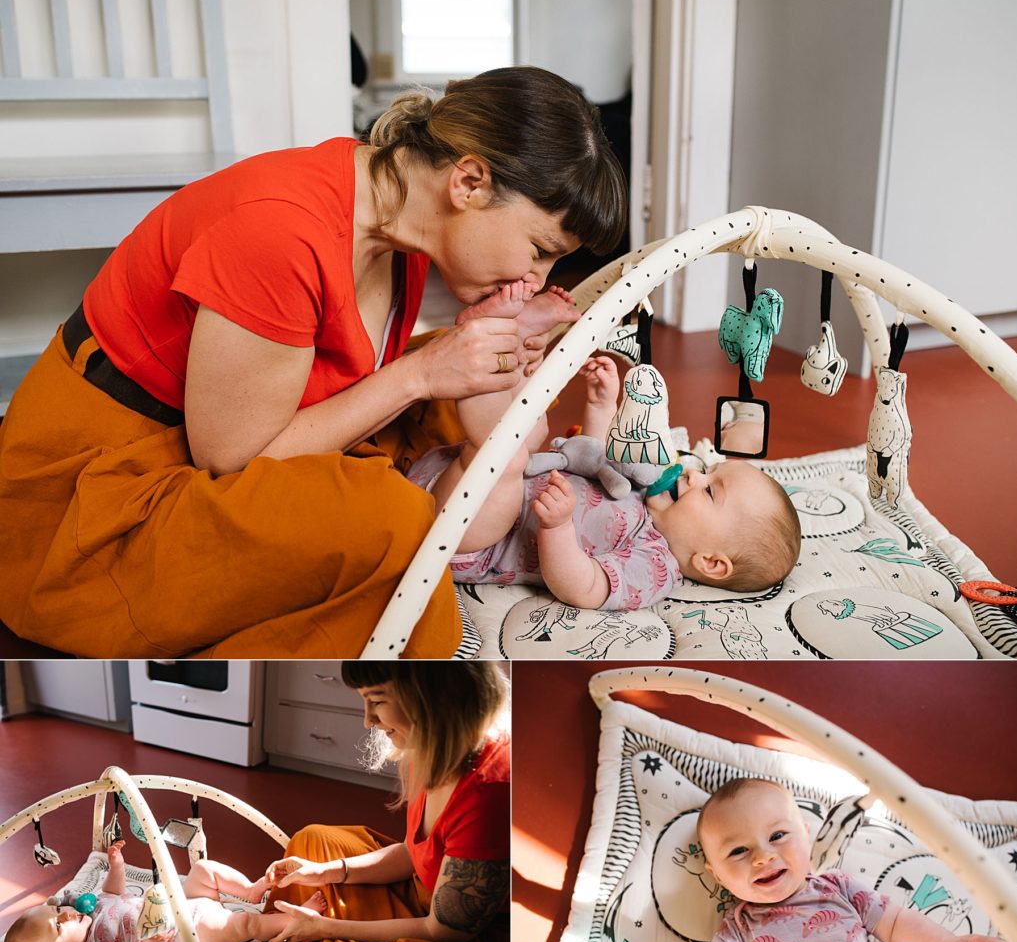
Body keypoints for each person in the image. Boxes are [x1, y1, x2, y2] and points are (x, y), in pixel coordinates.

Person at [0, 65, 626, 659]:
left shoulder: (398, 216)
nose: (536, 276)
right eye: (540, 249)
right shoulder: (280, 233)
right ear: (467, 182)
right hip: (100, 488)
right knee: (387, 516)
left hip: (215, 428)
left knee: (456, 397)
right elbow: (233, 461)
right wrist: (420, 373)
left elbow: (341, 368)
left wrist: (471, 350)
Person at [408, 334, 801, 609]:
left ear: (710, 562)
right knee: (533, 434)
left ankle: (490, 372)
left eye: (711, 491)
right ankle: (505, 365)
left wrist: (558, 528)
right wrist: (602, 404)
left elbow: (586, 587)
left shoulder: (655, 566)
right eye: (708, 470)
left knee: (512, 453)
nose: (694, 476)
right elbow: (600, 459)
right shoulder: (646, 484)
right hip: (450, 472)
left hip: (472, 538)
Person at [264, 660, 510, 942]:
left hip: (459, 938)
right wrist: (325, 872)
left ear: (434, 697)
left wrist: (326, 927)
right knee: (310, 841)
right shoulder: (427, 748)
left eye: (377, 701)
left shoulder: (489, 792)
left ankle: (315, 941)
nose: (368, 720)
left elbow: (444, 931)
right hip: (420, 892)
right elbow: (413, 852)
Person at [689, 778, 1009, 942]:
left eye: (777, 836)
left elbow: (896, 924)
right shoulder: (739, 926)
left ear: (807, 835)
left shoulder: (837, 887)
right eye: (738, 851)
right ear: (716, 875)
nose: (763, 857)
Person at [3, 841, 319, 942]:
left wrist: (117, 865)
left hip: (182, 900)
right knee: (244, 926)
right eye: (59, 926)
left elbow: (115, 891)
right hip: (182, 935)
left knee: (204, 870)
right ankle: (293, 918)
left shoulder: (94, 905)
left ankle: (249, 890)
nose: (68, 915)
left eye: (59, 913)